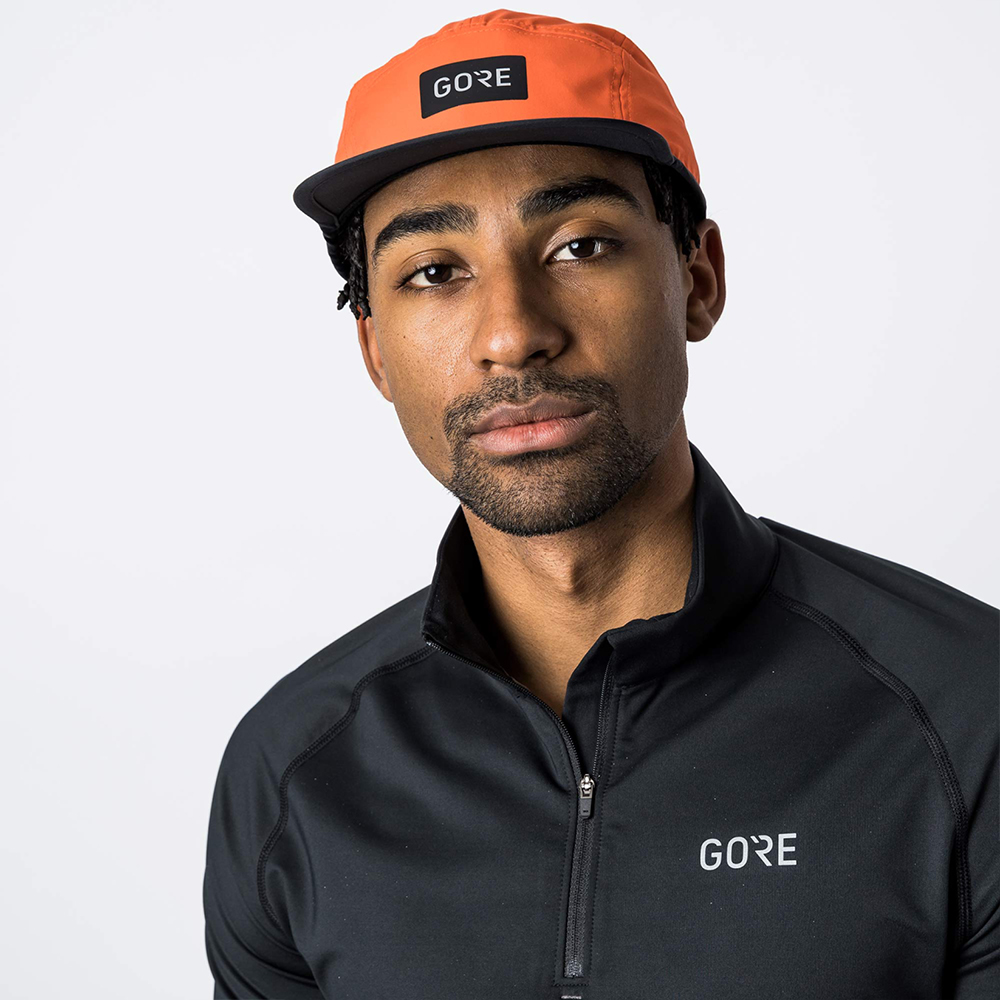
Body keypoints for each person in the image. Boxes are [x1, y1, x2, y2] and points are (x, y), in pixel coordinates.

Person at [202, 9, 998, 998]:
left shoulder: (967, 712)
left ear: (697, 279)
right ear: (375, 351)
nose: (512, 334)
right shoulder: (293, 773)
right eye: (435, 272)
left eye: (579, 246)